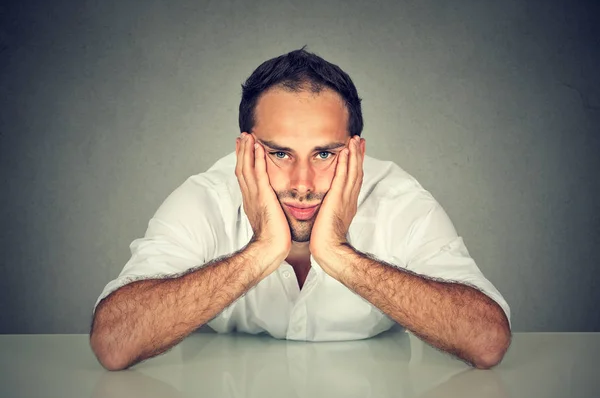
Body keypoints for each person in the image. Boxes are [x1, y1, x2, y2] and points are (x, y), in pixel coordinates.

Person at [90, 47, 512, 371]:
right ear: (245, 150)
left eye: (325, 154)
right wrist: (261, 251)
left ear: (357, 154)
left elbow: (488, 340)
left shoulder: (398, 200)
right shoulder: (206, 198)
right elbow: (112, 343)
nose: (303, 185)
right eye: (279, 153)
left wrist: (338, 254)